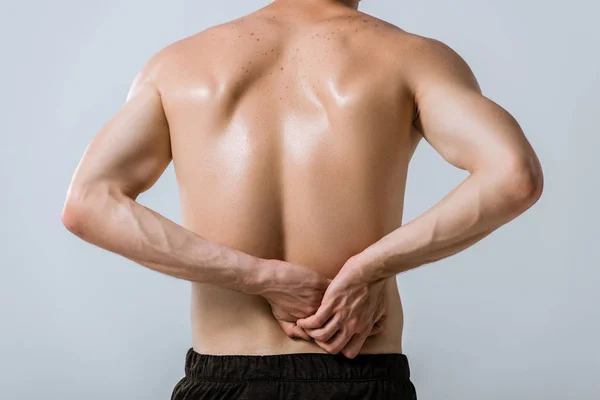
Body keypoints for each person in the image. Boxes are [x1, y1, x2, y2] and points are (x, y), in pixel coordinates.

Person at [61, 0, 544, 398]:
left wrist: (257, 277)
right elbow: (513, 176)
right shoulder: (410, 57)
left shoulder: (178, 64)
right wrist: (369, 268)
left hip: (222, 379)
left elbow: (88, 202)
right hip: (360, 373)